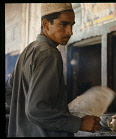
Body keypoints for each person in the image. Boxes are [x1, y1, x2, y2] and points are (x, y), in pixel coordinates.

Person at [5, 3, 100, 137]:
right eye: (63, 24)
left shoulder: (28, 51)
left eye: (72, 25)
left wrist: (27, 116)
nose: (70, 31)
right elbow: (37, 110)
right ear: (45, 24)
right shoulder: (49, 54)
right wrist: (79, 123)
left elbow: (9, 92)